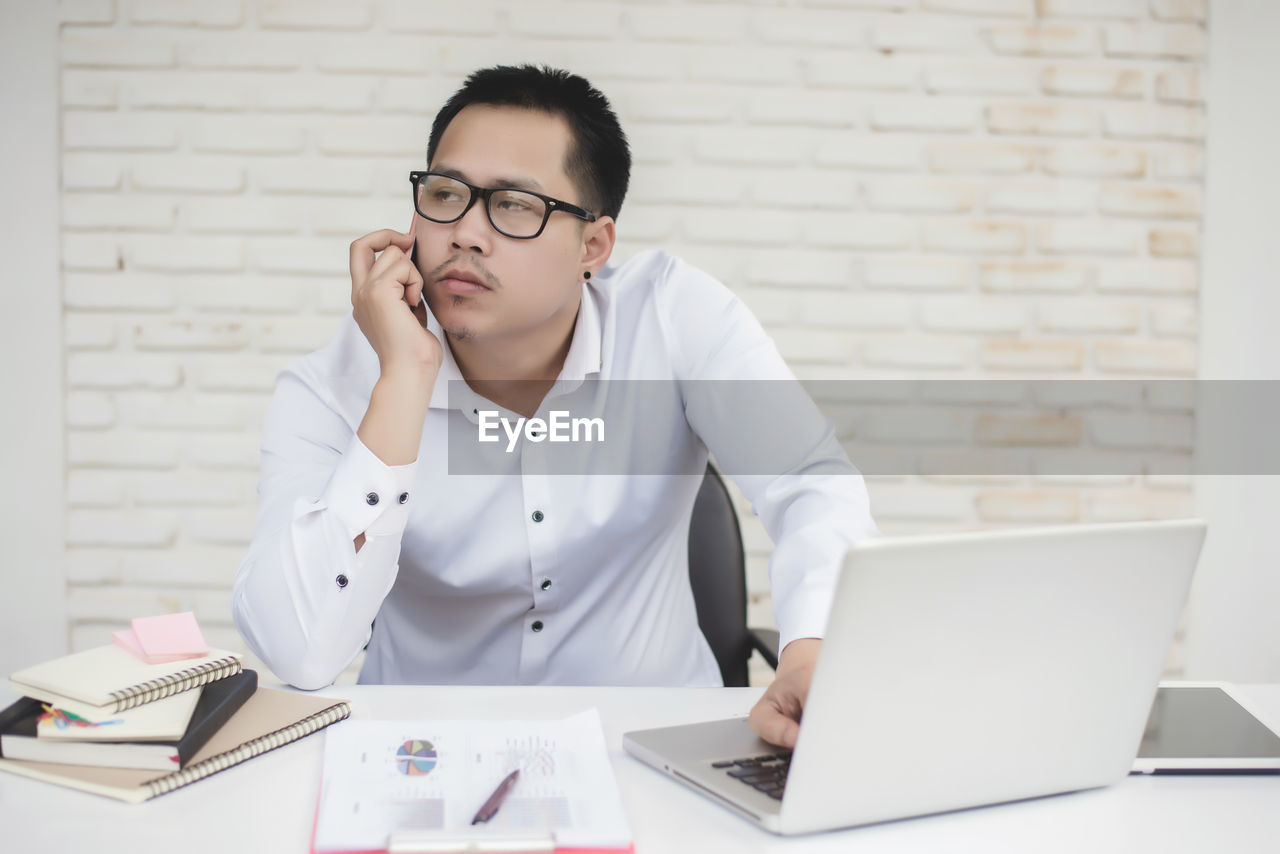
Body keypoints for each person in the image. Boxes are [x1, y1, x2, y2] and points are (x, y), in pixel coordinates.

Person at [232, 64, 877, 749]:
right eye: (446, 194)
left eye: (513, 205)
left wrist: (810, 650)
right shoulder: (335, 382)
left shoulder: (672, 318)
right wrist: (405, 377)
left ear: (592, 247)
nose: (466, 234)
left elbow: (811, 482)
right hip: (422, 753)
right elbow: (298, 652)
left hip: (656, 743)